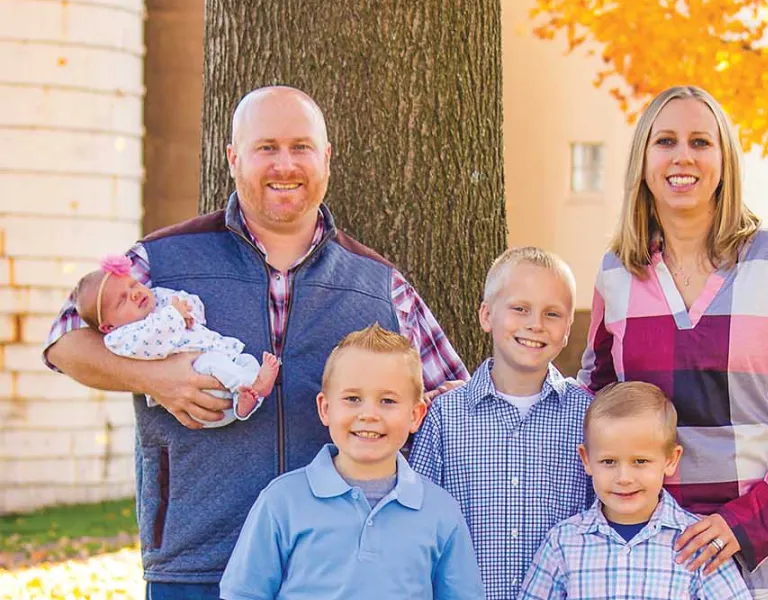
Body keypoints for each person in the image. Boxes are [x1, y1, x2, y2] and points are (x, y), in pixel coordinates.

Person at [43, 85, 469, 599]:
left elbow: (450, 403)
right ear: (233, 158)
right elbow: (64, 340)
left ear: (326, 158)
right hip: (195, 557)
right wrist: (158, 378)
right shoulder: (162, 261)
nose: (284, 164)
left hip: (334, 570)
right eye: (266, 147)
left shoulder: (378, 283)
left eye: (301, 147)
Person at [577, 85, 768, 599]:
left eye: (701, 142)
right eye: (666, 142)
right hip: (657, 560)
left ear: (725, 159)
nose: (683, 157)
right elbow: (594, 398)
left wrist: (744, 525)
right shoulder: (617, 273)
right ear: (643, 160)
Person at [220, 324, 485, 599]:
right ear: (325, 408)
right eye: (353, 399)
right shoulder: (281, 501)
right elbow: (243, 593)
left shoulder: (440, 511)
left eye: (387, 400)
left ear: (416, 415)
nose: (369, 414)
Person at [410, 247, 594, 600]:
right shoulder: (446, 417)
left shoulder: (586, 417)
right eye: (520, 308)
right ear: (486, 315)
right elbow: (419, 526)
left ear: (568, 330)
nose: (535, 324)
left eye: (552, 314)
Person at [518, 381, 752, 600]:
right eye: (609, 461)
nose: (624, 478)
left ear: (671, 460)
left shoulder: (697, 543)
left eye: (640, 461)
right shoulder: (563, 542)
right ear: (586, 460)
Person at [73, 255, 280, 427]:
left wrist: (189, 311)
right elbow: (152, 339)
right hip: (197, 386)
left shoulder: (158, 299)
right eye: (122, 300)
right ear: (108, 326)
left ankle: (244, 403)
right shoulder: (120, 338)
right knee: (212, 363)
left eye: (133, 284)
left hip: (221, 377)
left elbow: (187, 301)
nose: (135, 294)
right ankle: (254, 384)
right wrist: (175, 315)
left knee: (245, 361)